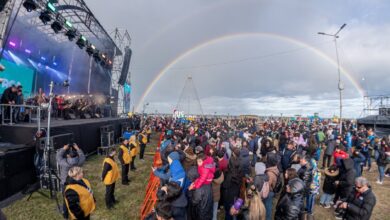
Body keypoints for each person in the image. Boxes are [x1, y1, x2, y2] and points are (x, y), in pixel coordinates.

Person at [56, 143, 86, 218]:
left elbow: (58, 157)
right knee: (77, 197)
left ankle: (65, 215)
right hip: (77, 182)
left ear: (68, 156)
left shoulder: (64, 162)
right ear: (76, 155)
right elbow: (82, 156)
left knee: (66, 200)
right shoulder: (79, 161)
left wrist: (64, 148)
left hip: (65, 184)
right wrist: (77, 148)